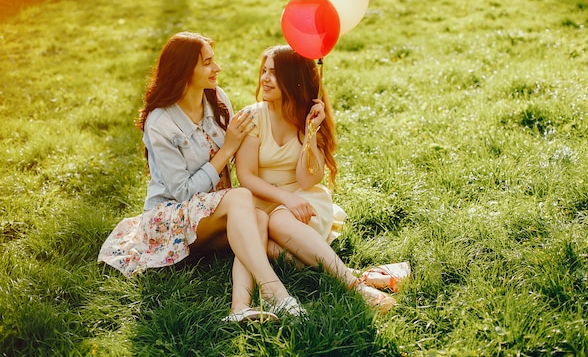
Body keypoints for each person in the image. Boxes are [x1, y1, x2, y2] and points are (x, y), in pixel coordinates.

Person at [98, 32, 305, 323]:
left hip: (213, 212)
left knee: (257, 218)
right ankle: (275, 292)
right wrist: (228, 148)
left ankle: (239, 307)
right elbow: (182, 193)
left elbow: (243, 163)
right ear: (185, 71)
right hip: (170, 219)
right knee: (243, 201)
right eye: (208, 63)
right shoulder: (160, 123)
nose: (217, 68)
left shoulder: (217, 100)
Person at [235, 45, 397, 312]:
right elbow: (246, 176)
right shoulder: (253, 116)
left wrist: (311, 133)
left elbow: (307, 180)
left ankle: (354, 287)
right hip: (262, 200)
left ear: (293, 79)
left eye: (274, 74)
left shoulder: (309, 117)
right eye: (264, 71)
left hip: (303, 198)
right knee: (268, 246)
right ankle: (356, 276)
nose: (264, 78)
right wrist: (283, 198)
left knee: (278, 220)